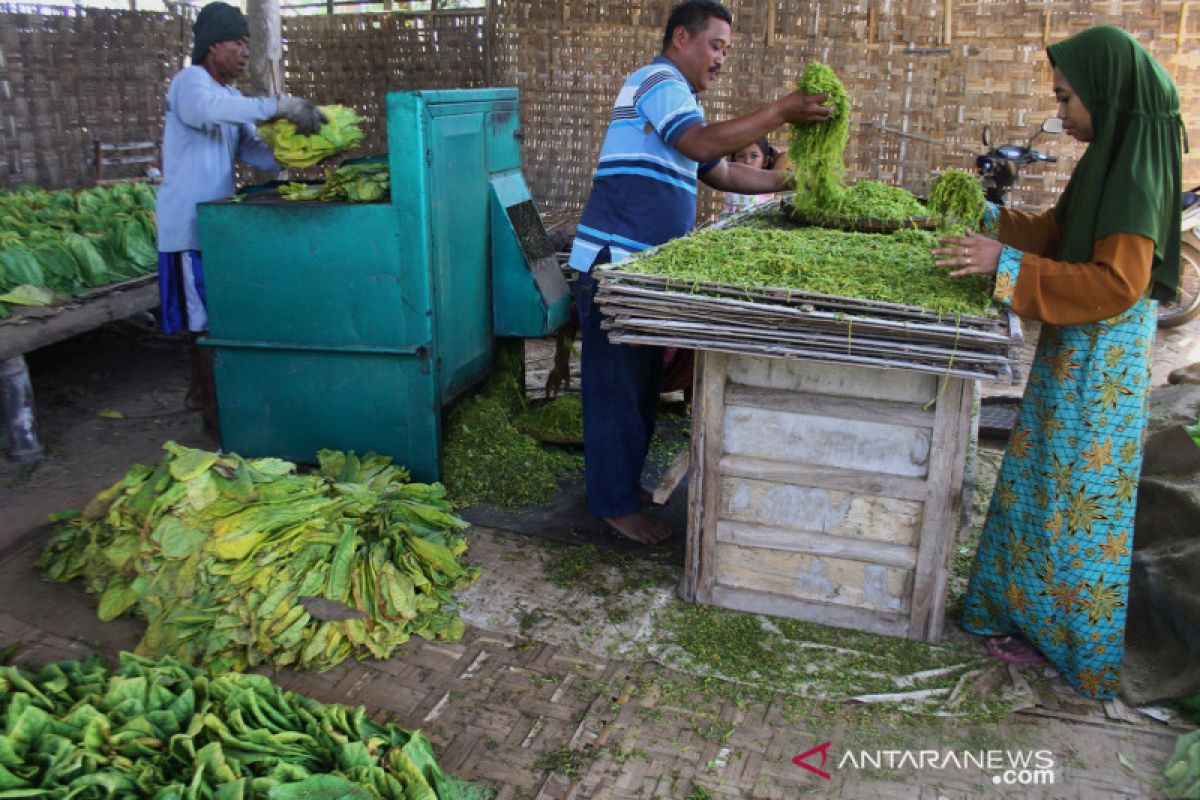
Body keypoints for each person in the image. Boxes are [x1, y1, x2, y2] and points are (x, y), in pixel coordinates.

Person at [934, 25, 1184, 699]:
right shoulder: (1110, 160)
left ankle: (1072, 639)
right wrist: (988, 222)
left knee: (1078, 500)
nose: (1061, 114)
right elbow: (1056, 236)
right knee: (1046, 481)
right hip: (1079, 351)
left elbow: (1113, 284)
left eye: (1067, 99)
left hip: (1100, 365)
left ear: (1108, 94)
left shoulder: (1136, 175)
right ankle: (1027, 614)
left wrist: (1005, 266)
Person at [568, 0, 833, 544]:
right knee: (615, 387)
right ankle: (612, 504)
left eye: (726, 51)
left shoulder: (681, 105)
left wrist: (796, 184)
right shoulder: (657, 80)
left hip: (639, 274)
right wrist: (781, 111)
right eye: (716, 46)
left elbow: (725, 172)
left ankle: (622, 485)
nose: (721, 60)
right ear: (681, 37)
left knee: (639, 388)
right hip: (611, 266)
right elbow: (703, 145)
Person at [156, 1, 324, 434]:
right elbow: (208, 113)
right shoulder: (190, 84)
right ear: (213, 47)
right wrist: (279, 106)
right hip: (188, 229)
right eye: (238, 43)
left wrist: (310, 152)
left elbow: (254, 151)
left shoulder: (230, 98)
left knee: (213, 319)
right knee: (205, 323)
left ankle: (201, 395)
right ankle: (215, 417)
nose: (245, 52)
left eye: (249, 43)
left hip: (215, 227)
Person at [720, 136, 786, 217]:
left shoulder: (765, 184)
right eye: (741, 156)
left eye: (754, 156)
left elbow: (786, 157)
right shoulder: (730, 180)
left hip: (756, 228)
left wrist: (774, 153)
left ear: (765, 161)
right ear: (734, 160)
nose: (747, 161)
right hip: (726, 228)